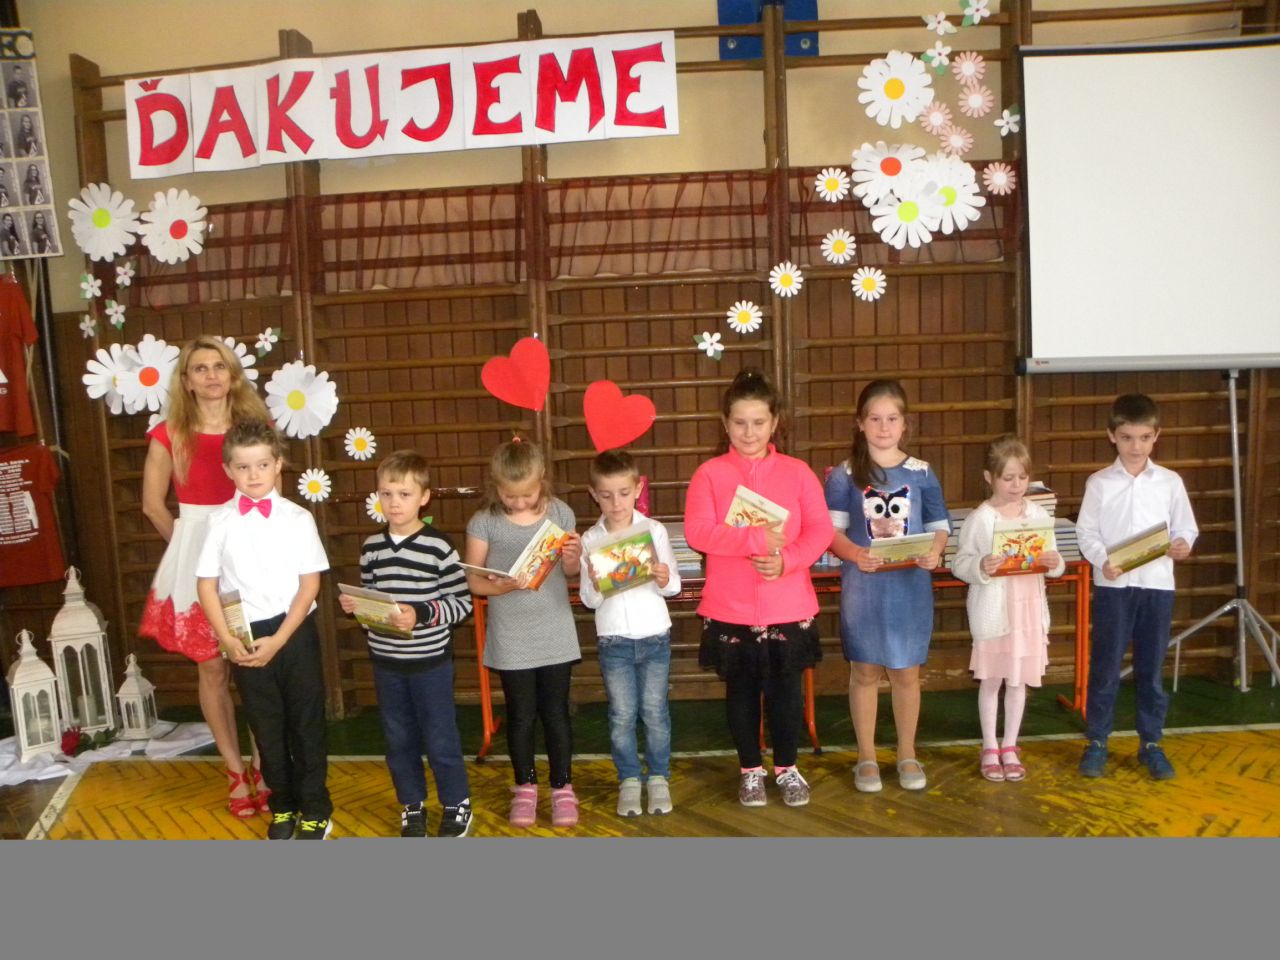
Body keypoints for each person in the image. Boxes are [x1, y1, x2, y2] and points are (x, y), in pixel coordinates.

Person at [684, 368, 833, 808]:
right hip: (729, 607)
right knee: (742, 693)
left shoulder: (797, 472)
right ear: (725, 423)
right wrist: (753, 540)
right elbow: (697, 532)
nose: (749, 432)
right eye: (739, 422)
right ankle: (750, 770)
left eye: (758, 422)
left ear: (775, 423)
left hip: (788, 604)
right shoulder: (709, 474)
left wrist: (787, 560)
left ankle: (787, 767)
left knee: (786, 695)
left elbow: (821, 530)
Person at [139, 336, 271, 819]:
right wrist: (191, 548)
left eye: (219, 366)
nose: (211, 375)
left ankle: (265, 766)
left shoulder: (255, 429)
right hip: (197, 553)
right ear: (187, 380)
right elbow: (153, 505)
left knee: (256, 665)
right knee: (212, 667)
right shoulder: (169, 433)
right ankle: (235, 771)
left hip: (249, 552)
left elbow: (270, 493)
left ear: (232, 376)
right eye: (200, 368)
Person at [196, 419, 333, 839]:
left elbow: (310, 585)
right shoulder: (219, 522)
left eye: (261, 465)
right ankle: (283, 806)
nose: (253, 475)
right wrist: (226, 638)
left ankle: (315, 808)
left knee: (306, 724)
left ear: (278, 465)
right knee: (266, 728)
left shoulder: (298, 518)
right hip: (246, 636)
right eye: (243, 467)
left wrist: (281, 639)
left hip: (293, 632)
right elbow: (206, 585)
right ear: (228, 470)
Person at [338, 450, 475, 838]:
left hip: (431, 663)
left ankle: (457, 802)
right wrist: (358, 607)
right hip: (387, 662)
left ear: (424, 497)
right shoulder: (372, 548)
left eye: (404, 494)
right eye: (386, 494)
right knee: (398, 740)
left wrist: (421, 614)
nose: (394, 503)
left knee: (440, 737)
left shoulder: (439, 547)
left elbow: (461, 603)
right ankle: (412, 804)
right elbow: (372, 597)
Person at [826, 379, 950, 794]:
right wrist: (855, 554)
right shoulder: (844, 475)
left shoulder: (922, 472)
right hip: (864, 587)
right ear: (860, 423)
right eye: (875, 419)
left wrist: (935, 552)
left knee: (906, 672)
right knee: (864, 671)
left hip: (909, 587)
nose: (883, 427)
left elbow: (939, 526)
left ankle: (906, 753)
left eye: (892, 419)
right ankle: (866, 756)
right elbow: (832, 534)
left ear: (905, 424)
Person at [1075, 393, 1197, 780]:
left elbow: (1186, 527)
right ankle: (1097, 741)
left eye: (1144, 438)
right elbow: (1086, 532)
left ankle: (1151, 743)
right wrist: (1102, 560)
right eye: (1127, 437)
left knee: (1151, 668)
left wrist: (1182, 544)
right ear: (1112, 435)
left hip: (1157, 587)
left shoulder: (1170, 482)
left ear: (1156, 436)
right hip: (1114, 588)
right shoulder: (1099, 483)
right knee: (1106, 667)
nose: (1136, 446)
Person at [464, 438, 583, 828]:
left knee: (556, 713)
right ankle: (525, 787)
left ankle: (562, 787)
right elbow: (474, 580)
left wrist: (573, 558)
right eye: (509, 496)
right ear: (496, 486)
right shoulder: (484, 521)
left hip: (554, 629)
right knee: (521, 715)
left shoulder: (560, 512)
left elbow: (570, 573)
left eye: (527, 495)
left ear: (542, 479)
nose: (517, 502)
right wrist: (499, 587)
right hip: (511, 634)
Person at [951, 436, 1065, 782]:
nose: (1016, 485)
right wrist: (981, 566)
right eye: (1008, 478)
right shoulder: (980, 518)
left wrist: (1054, 563)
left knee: (1018, 682)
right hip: (995, 612)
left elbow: (1054, 559)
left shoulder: (1038, 514)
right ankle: (989, 746)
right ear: (990, 477)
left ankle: (1010, 745)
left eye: (1022, 477)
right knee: (991, 680)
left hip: (1028, 611)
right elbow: (959, 563)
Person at [579, 448, 681, 817]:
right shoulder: (590, 539)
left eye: (623, 493)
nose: (616, 503)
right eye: (606, 495)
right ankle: (629, 779)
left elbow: (674, 587)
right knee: (621, 714)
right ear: (594, 494)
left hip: (654, 636)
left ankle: (659, 777)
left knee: (655, 711)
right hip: (614, 641)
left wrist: (664, 577)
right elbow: (588, 600)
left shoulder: (654, 531)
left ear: (638, 489)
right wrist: (594, 583)